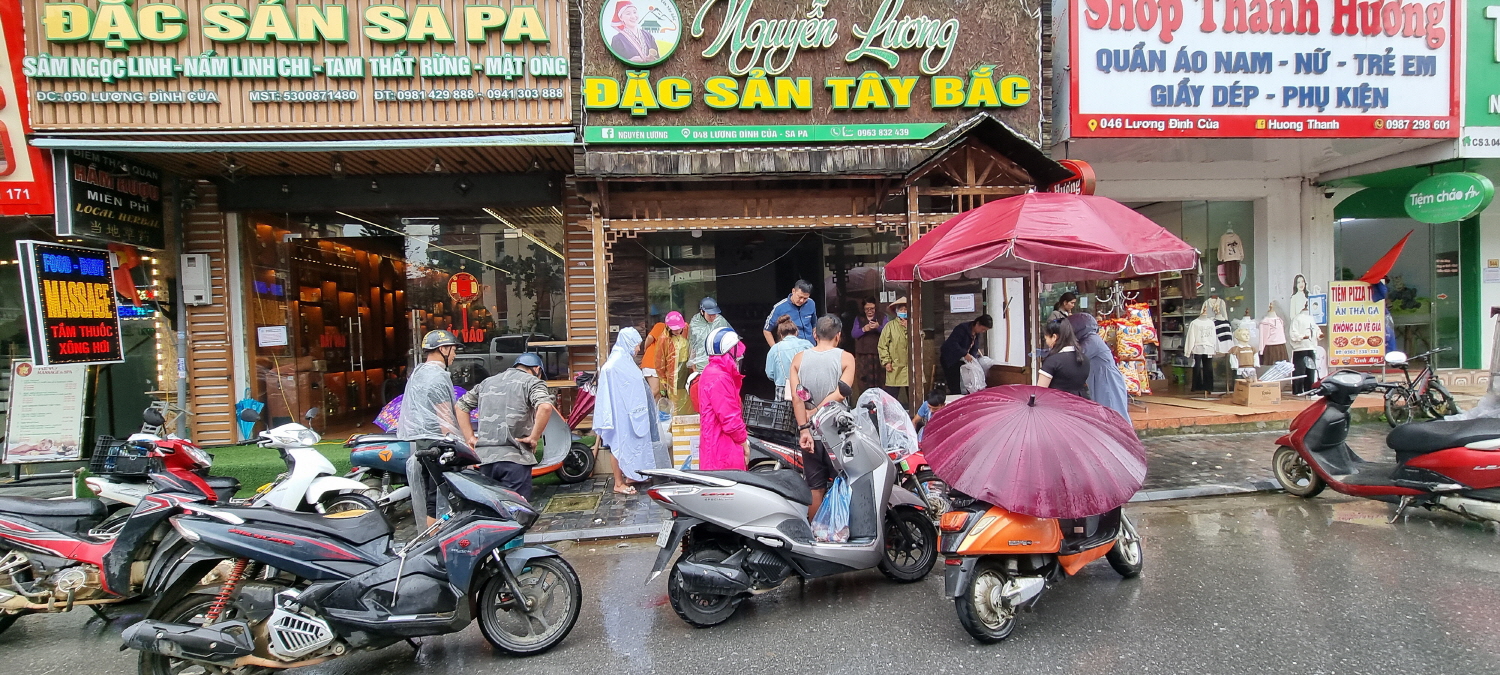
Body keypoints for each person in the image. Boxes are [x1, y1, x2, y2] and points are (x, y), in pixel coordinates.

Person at [454, 352, 555, 500]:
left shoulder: (487, 382)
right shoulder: (532, 382)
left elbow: (461, 406)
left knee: (494, 511)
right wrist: (534, 437)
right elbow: (545, 407)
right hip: (515, 459)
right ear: (537, 369)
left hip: (486, 460)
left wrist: (470, 437)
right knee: (516, 512)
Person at [788, 315, 856, 519]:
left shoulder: (799, 359)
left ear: (815, 334)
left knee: (815, 488)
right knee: (843, 483)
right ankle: (843, 532)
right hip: (839, 434)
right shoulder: (846, 358)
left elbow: (796, 396)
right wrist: (818, 410)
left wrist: (804, 429)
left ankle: (816, 537)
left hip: (811, 435)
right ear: (838, 336)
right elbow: (841, 393)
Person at [398, 329, 464, 526]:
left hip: (423, 445)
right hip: (439, 447)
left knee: (431, 498)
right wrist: (458, 447)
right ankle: (438, 544)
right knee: (441, 498)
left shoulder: (419, 373)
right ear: (442, 348)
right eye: (453, 349)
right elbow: (444, 417)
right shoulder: (437, 377)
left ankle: (432, 543)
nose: (454, 354)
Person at [595, 327, 657, 495]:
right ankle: (618, 482)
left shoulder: (626, 360)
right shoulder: (613, 365)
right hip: (620, 414)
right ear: (628, 343)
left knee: (634, 444)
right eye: (636, 345)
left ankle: (631, 476)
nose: (638, 349)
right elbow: (610, 393)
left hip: (633, 412)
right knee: (619, 445)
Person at [698, 327, 749, 471]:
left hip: (713, 443)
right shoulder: (720, 377)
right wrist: (743, 442)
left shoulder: (710, 371)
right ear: (730, 350)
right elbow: (730, 418)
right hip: (723, 447)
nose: (739, 354)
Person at [1067, 313, 1133, 422]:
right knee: (1105, 412)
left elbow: (1077, 356)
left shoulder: (1092, 340)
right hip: (1100, 378)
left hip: (1107, 379)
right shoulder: (1088, 339)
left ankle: (1123, 437)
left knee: (1112, 410)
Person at [940, 314, 993, 394]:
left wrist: (973, 358)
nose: (983, 331)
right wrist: (965, 354)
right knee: (954, 383)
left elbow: (974, 348)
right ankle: (956, 398)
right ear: (977, 324)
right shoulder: (962, 329)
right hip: (950, 358)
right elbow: (953, 343)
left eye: (985, 330)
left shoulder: (976, 334)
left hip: (961, 360)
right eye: (983, 329)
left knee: (966, 382)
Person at [1038, 320, 1090, 397]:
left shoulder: (1052, 361)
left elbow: (1040, 391)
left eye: (1046, 339)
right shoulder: (1084, 359)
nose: (1046, 343)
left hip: (1058, 405)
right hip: (1080, 404)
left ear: (1054, 337)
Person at [765, 315, 812, 398]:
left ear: (780, 335)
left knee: (783, 410)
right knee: (806, 410)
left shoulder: (775, 349)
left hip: (783, 388)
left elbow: (770, 374)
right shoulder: (807, 344)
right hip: (806, 387)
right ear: (796, 332)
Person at [653, 311, 691, 414]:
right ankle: (676, 421)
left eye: (679, 328)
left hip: (687, 369)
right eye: (674, 329)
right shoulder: (664, 339)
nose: (677, 331)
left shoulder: (686, 329)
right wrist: (663, 379)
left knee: (689, 394)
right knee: (675, 399)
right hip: (673, 372)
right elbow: (659, 361)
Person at [762, 280, 817, 346]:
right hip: (791, 349)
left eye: (805, 298)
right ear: (793, 291)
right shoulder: (779, 307)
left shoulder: (811, 303)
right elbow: (767, 330)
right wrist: (775, 349)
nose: (802, 300)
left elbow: (814, 324)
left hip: (810, 347)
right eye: (800, 297)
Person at [878, 297, 910, 405]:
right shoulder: (889, 326)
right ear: (896, 311)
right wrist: (886, 361)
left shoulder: (914, 325)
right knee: (892, 397)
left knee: (913, 396)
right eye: (901, 309)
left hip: (911, 366)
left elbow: (920, 339)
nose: (904, 312)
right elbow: (882, 345)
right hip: (895, 366)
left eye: (906, 309)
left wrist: (909, 328)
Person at [851, 297, 886, 396]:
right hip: (863, 355)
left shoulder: (882, 317)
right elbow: (854, 334)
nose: (870, 311)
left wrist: (878, 327)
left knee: (880, 379)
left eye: (872, 308)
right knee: (864, 379)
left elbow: (888, 332)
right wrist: (864, 329)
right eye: (867, 309)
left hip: (879, 353)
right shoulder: (859, 318)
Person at [688, 297, 730, 374]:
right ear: (702, 312)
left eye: (714, 314)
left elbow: (729, 342)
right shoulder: (695, 323)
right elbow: (693, 346)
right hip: (701, 368)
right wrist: (693, 367)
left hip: (718, 366)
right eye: (709, 314)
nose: (712, 317)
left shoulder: (720, 321)